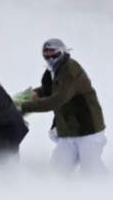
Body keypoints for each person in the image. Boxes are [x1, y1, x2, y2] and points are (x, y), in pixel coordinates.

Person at [20, 39, 107, 175]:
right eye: (46, 53)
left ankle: (110, 194)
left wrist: (24, 107)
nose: (49, 57)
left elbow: (57, 100)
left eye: (52, 52)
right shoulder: (53, 70)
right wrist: (33, 93)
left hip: (88, 132)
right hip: (68, 132)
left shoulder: (70, 71)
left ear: (62, 52)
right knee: (57, 174)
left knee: (92, 175)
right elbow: (49, 89)